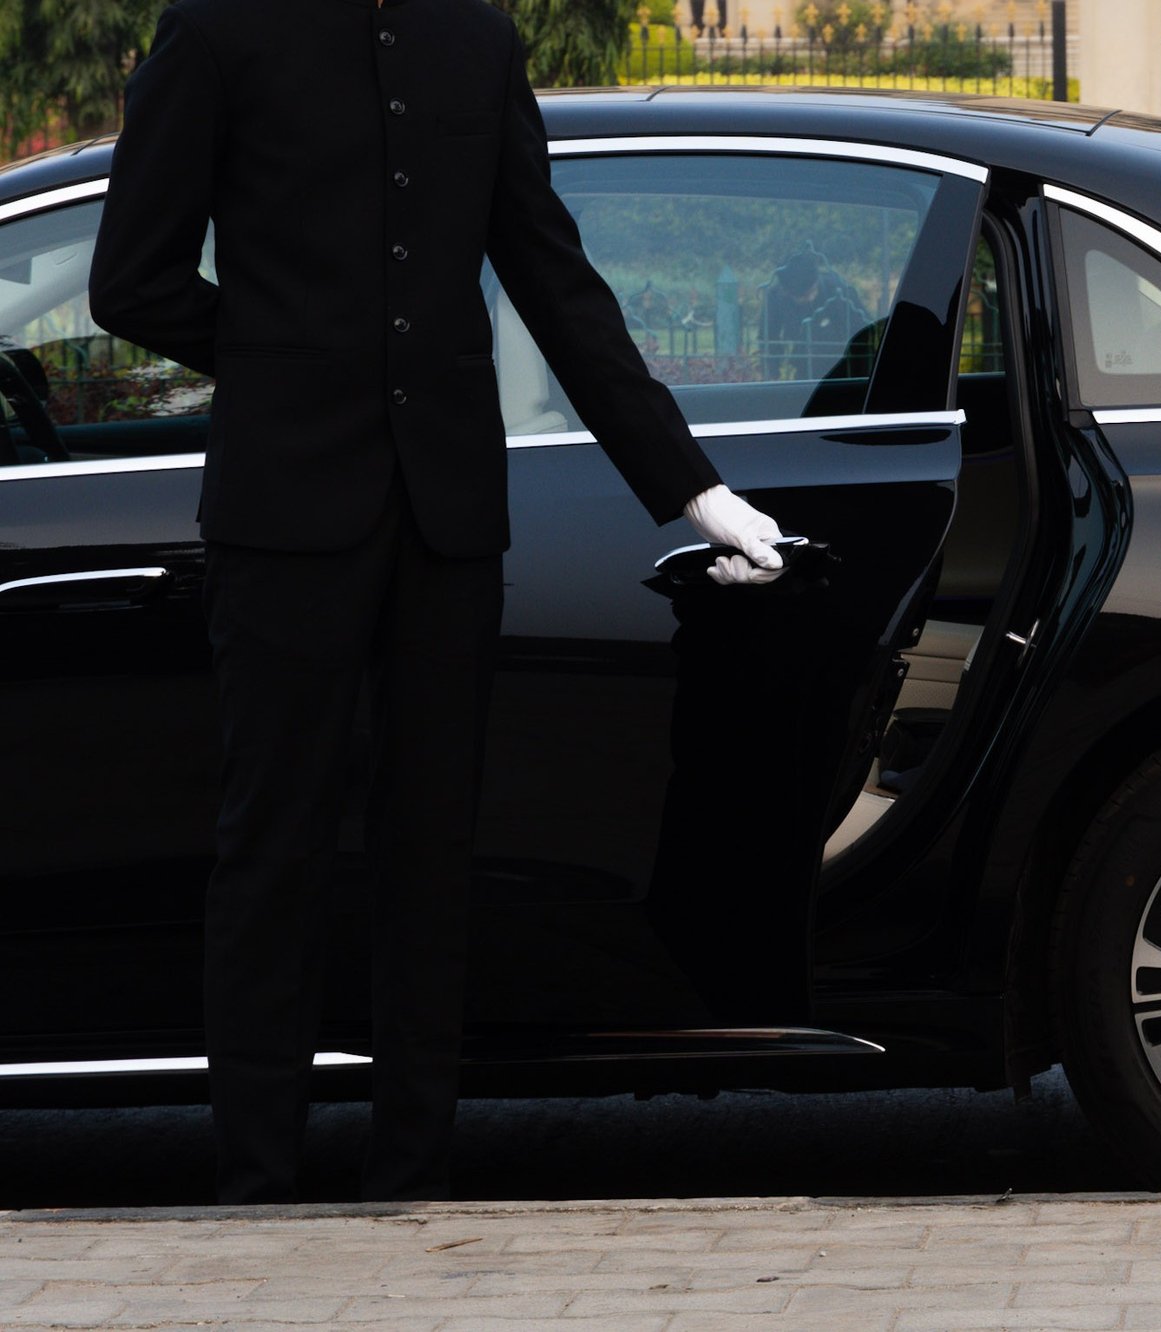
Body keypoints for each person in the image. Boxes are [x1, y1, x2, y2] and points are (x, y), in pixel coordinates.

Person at [89, 0, 790, 1205]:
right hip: (283, 517)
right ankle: (254, 1179)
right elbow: (130, 281)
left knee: (434, 857)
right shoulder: (216, 28)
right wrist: (285, 362)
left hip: (449, 517)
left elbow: (553, 276)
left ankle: (411, 1172)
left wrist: (691, 488)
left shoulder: (476, 34)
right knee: (273, 854)